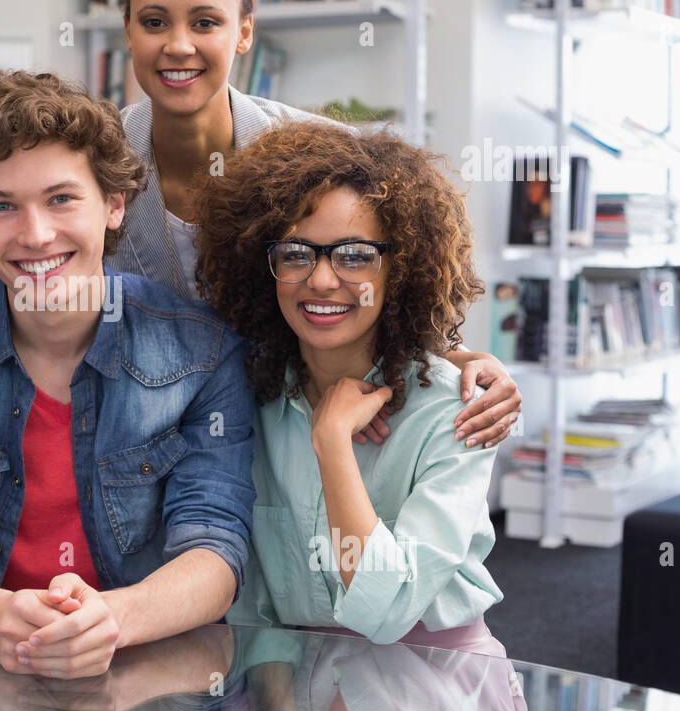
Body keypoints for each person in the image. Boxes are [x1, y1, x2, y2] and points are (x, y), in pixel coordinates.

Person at [0, 70, 255, 679]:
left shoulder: (203, 350)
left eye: (61, 199)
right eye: (2, 206)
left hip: (148, 681)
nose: (35, 234)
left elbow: (217, 549)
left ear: (114, 205)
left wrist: (113, 618)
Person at [109, 0, 522, 450]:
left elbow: (381, 284)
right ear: (127, 29)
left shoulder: (321, 155)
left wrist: (460, 360)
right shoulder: (96, 159)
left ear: (244, 30)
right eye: (154, 22)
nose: (178, 45)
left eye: (205, 22)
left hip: (294, 437)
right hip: (145, 451)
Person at [197, 118, 512, 658]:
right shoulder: (246, 400)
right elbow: (257, 606)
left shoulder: (455, 409)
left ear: (402, 270)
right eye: (296, 253)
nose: (321, 280)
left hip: (433, 684)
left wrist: (332, 442)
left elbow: (387, 610)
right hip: (294, 687)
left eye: (356, 256)